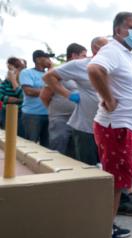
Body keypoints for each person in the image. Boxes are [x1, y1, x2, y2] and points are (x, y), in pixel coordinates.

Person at [87, 12, 132, 238]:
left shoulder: (124, 53)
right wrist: (109, 99)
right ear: (118, 30)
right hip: (116, 127)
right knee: (113, 185)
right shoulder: (112, 49)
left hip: (123, 128)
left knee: (117, 183)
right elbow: (94, 70)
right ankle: (105, 237)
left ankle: (108, 226)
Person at [43, 37, 108, 166]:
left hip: (104, 125)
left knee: (99, 166)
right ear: (95, 49)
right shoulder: (79, 65)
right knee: (79, 164)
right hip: (81, 126)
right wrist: (69, 95)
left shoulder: (112, 65)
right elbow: (47, 82)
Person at [40, 43, 87, 156]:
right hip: (60, 120)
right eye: (83, 55)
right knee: (58, 152)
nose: (86, 58)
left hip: (77, 120)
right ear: (74, 55)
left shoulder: (82, 72)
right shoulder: (59, 71)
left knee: (74, 155)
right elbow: (44, 96)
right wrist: (56, 112)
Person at [19, 50, 53, 147]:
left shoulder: (50, 74)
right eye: (46, 57)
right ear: (37, 60)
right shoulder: (27, 72)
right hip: (32, 115)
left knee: (47, 147)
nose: (49, 60)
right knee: (30, 145)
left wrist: (51, 69)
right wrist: (49, 91)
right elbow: (29, 91)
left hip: (49, 114)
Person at [0, 57, 26, 136]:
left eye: (14, 69)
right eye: (9, 69)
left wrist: (14, 81)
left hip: (21, 113)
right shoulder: (5, 83)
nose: (11, 72)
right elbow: (1, 97)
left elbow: (23, 97)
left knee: (21, 136)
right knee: (8, 136)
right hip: (6, 113)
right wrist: (18, 100)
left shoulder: (24, 82)